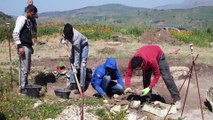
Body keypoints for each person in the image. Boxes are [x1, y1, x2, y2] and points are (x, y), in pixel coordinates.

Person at [12, 5, 38, 94]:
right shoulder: (21, 19)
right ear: (29, 11)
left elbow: (27, 35)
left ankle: (25, 85)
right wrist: (19, 46)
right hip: (23, 47)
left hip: (28, 46)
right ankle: (22, 88)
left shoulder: (28, 21)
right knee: (23, 68)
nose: (33, 15)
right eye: (33, 13)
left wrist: (31, 47)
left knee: (27, 68)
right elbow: (15, 33)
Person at [60, 23, 89, 94]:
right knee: (71, 62)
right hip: (75, 46)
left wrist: (76, 67)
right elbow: (63, 37)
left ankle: (82, 87)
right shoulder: (66, 31)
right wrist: (62, 41)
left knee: (82, 65)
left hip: (83, 45)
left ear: (71, 33)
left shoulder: (77, 38)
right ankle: (72, 83)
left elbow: (77, 54)